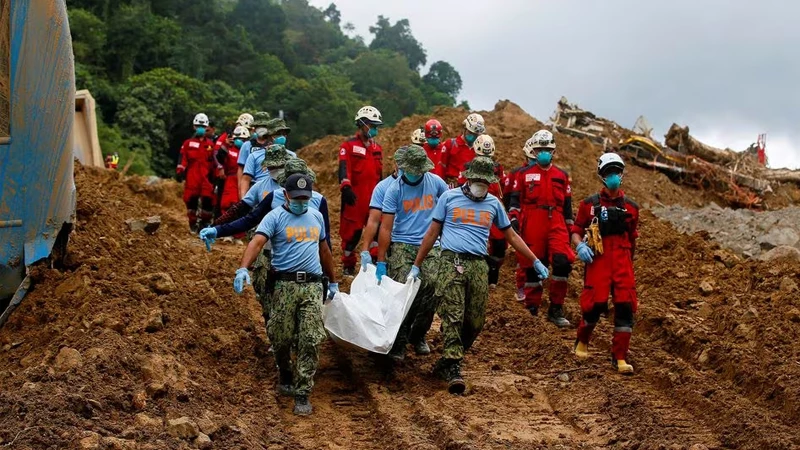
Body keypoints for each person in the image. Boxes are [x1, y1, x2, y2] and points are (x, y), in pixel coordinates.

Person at [411, 156, 548, 393]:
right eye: (478, 180)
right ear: (469, 178)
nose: (482, 185)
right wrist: (417, 264)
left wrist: (534, 260)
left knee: (475, 321)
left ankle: (447, 361)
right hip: (451, 262)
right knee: (453, 315)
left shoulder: (493, 204)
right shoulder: (449, 198)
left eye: (487, 182)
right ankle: (454, 366)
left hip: (478, 266)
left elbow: (511, 236)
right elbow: (432, 233)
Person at [233, 173, 338, 415]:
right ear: (286, 195)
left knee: (311, 338)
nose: (302, 202)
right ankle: (285, 370)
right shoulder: (275, 217)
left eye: (306, 198)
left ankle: (303, 392)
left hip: (312, 285)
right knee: (280, 336)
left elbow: (324, 249)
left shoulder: (316, 217)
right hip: (284, 285)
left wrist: (333, 281)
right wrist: (242, 268)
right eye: (297, 198)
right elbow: (257, 243)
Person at [376, 145, 448, 360]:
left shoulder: (435, 183)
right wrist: (381, 260)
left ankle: (418, 334)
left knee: (433, 286)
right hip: (402, 245)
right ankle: (398, 338)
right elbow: (386, 227)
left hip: (431, 245)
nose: (417, 173)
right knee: (404, 291)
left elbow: (449, 205)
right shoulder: (394, 190)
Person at [571, 153, 640, 375]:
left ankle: (619, 356)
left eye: (616, 172)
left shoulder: (631, 207)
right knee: (595, 304)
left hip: (622, 260)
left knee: (625, 307)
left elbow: (633, 237)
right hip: (599, 259)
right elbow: (576, 230)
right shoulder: (588, 205)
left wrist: (629, 262)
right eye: (609, 173)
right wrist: (580, 246)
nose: (613, 177)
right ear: (601, 176)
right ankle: (582, 340)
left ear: (623, 174)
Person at [508, 130, 574, 328]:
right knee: (532, 265)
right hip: (533, 220)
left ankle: (556, 308)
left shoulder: (562, 176)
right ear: (534, 151)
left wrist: (570, 229)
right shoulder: (523, 175)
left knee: (562, 262)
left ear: (553, 151)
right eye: (540, 149)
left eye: (547, 149)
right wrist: (514, 219)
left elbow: (568, 206)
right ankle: (532, 307)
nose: (543, 152)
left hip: (556, 221)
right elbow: (514, 201)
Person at [338, 106, 384, 275]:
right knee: (352, 234)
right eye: (372, 125)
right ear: (362, 124)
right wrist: (346, 186)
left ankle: (371, 265)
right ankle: (348, 266)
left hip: (374, 199)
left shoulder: (377, 148)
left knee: (376, 234)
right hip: (355, 199)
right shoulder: (348, 146)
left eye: (376, 126)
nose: (374, 129)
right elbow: (344, 168)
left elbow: (379, 175)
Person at [467, 135, 507, 290]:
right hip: (474, 207)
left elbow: (501, 187)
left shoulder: (497, 168)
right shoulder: (469, 166)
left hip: (492, 206)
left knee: (499, 242)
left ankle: (493, 275)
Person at [358, 147, 409, 269]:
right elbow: (373, 220)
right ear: (395, 164)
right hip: (392, 237)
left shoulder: (422, 183)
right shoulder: (383, 187)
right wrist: (365, 250)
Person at [176, 113, 221, 233]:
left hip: (206, 177)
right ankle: (192, 223)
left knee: (208, 201)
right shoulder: (188, 144)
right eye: (198, 125)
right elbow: (183, 158)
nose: (200, 128)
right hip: (192, 176)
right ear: (194, 127)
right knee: (191, 201)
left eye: (203, 126)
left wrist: (216, 177)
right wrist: (180, 170)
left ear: (207, 127)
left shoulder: (210, 145)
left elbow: (214, 162)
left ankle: (204, 224)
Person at [241, 118, 295, 198]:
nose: (282, 137)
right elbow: (245, 180)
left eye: (284, 134)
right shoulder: (254, 156)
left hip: (284, 196)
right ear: (269, 136)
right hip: (260, 195)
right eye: (277, 134)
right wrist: (243, 200)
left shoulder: (291, 156)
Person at [216, 125, 250, 243]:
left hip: (244, 181)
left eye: (243, 139)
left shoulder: (248, 153)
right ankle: (227, 233)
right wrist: (224, 145)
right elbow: (219, 157)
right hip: (230, 180)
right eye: (238, 138)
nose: (240, 141)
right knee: (227, 206)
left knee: (241, 208)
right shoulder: (229, 150)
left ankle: (238, 236)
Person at [436, 113, 485, 187]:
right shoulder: (450, 144)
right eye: (470, 132)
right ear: (464, 129)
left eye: (475, 134)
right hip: (452, 187)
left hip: (471, 188)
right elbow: (441, 169)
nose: (472, 136)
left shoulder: (479, 149)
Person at [237, 111, 270, 194]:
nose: (262, 128)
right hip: (252, 186)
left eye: (264, 126)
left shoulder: (274, 145)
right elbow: (241, 168)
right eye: (259, 126)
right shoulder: (247, 145)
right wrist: (240, 189)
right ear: (254, 128)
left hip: (270, 185)